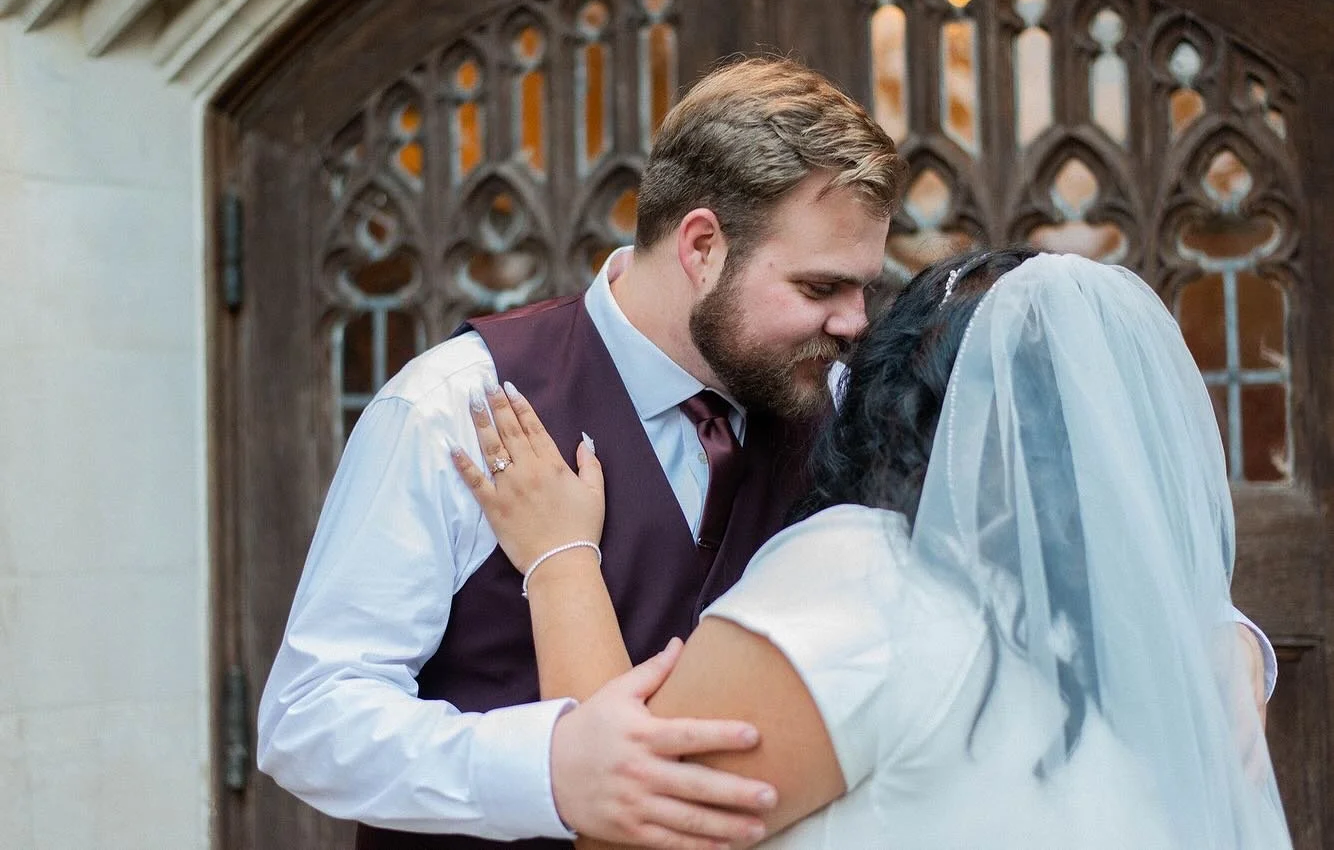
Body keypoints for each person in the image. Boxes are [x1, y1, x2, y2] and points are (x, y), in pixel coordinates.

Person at [257, 56, 909, 850]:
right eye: (819, 289)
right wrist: (547, 770)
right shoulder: (453, 408)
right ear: (702, 246)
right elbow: (308, 718)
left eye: (863, 289)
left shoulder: (834, 410)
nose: (855, 323)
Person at [454, 248, 1290, 848]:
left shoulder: (868, 580)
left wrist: (559, 558)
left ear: (894, 397)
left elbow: (627, 819)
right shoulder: (1153, 643)